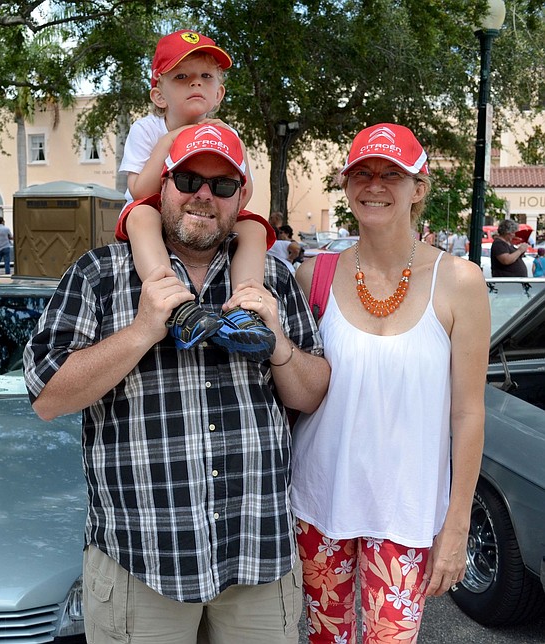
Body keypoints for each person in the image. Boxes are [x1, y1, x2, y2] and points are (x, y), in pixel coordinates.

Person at [24, 124, 330, 644]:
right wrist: (143, 330)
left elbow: (312, 391)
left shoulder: (272, 281)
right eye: (188, 179)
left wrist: (277, 342)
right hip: (141, 561)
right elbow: (47, 397)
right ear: (162, 186)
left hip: (257, 556)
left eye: (222, 185)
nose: (204, 195)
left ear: (241, 198)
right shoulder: (99, 275)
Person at [292, 123, 489, 643]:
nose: (374, 185)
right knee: (323, 639)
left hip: (406, 511)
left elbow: (468, 414)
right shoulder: (312, 275)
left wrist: (457, 524)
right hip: (319, 503)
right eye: (362, 172)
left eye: (390, 174)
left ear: (418, 187)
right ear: (346, 182)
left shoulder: (460, 281)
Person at [117, 29, 276, 361]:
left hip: (204, 215)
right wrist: (174, 139)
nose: (195, 84)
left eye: (205, 76)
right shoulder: (147, 129)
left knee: (255, 228)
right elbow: (139, 190)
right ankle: (174, 304)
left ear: (218, 93)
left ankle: (243, 308)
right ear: (159, 95)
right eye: (182, 76)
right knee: (140, 214)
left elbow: (244, 192)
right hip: (157, 213)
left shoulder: (228, 133)